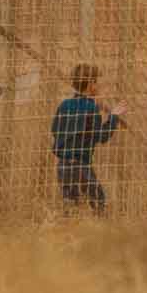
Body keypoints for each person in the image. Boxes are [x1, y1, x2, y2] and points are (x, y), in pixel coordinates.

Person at [50, 63, 125, 212]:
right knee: (98, 201)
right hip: (81, 165)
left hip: (62, 165)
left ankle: (69, 232)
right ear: (91, 84)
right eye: (97, 82)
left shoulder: (64, 105)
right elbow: (101, 137)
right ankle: (99, 231)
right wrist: (114, 117)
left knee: (71, 206)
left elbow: (55, 130)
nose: (99, 85)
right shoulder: (92, 107)